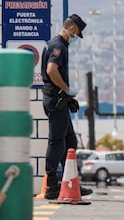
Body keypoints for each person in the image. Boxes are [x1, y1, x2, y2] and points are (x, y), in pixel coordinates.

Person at [41, 14, 92, 199]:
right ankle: (52, 185)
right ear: (71, 29)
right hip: (55, 100)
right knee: (56, 142)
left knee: (70, 142)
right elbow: (51, 70)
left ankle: (71, 182)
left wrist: (67, 97)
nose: (76, 37)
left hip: (58, 99)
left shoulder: (56, 44)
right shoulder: (58, 45)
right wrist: (66, 89)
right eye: (77, 33)